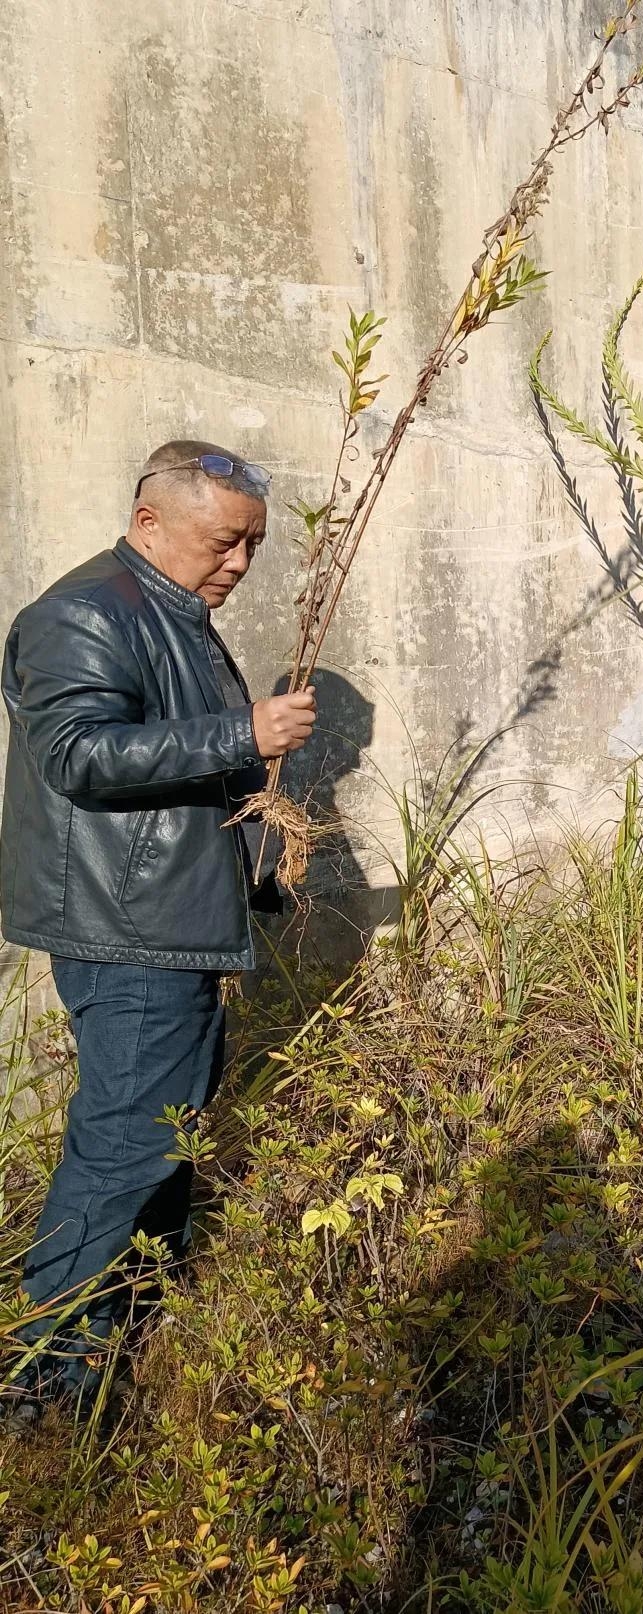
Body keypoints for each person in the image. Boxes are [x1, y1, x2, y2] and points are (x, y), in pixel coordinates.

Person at [0, 440, 317, 1417]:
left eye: (253, 547)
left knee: (160, 1140)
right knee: (124, 1150)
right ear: (151, 524)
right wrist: (244, 735)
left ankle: (121, 1337)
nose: (238, 565)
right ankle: (42, 1382)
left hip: (164, 925)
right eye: (225, 542)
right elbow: (80, 756)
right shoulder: (84, 613)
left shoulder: (172, 613)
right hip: (131, 934)